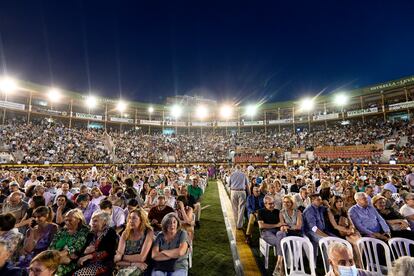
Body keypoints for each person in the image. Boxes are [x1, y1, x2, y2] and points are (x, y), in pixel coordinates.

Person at [73, 211, 118, 276]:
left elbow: (109, 252)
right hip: (87, 262)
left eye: (95, 221)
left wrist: (89, 256)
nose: (93, 223)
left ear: (104, 222)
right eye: (92, 221)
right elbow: (84, 248)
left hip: (102, 263)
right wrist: (81, 253)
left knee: (78, 274)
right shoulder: (91, 233)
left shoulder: (110, 232)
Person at [49, 209, 90, 276]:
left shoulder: (83, 232)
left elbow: (75, 248)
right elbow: (52, 245)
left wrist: (56, 256)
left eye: (70, 220)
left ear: (78, 220)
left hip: (69, 262)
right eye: (66, 220)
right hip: (54, 257)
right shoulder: (62, 231)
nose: (67, 222)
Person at [115, 208, 154, 276]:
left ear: (141, 220)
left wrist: (121, 257)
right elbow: (116, 260)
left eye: (134, 218)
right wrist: (132, 263)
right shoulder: (125, 233)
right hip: (127, 265)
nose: (131, 221)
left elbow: (141, 258)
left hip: (141, 266)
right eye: (129, 218)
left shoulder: (148, 232)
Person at [326, 196, 362, 268]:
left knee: (359, 242)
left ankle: (358, 262)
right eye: (338, 202)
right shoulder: (330, 211)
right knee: (355, 243)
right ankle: (358, 264)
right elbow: (335, 226)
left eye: (341, 201)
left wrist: (351, 228)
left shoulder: (344, 210)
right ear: (334, 203)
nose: (340, 203)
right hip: (337, 232)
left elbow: (351, 223)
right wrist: (347, 230)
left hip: (347, 230)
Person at [257, 195, 287, 276]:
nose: (272, 205)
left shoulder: (277, 211)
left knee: (282, 234)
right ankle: (281, 267)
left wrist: (281, 226)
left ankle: (278, 264)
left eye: (273, 203)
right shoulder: (260, 211)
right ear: (265, 204)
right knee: (282, 242)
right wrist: (276, 225)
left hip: (277, 232)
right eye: (270, 204)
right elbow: (261, 226)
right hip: (266, 232)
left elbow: (281, 223)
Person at [274, 195, 303, 275]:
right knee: (280, 233)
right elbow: (282, 225)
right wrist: (284, 227)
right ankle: (280, 263)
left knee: (281, 234)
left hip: (296, 233)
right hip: (286, 232)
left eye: (288, 202)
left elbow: (298, 226)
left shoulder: (298, 212)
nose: (285, 204)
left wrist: (288, 226)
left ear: (292, 203)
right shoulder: (281, 212)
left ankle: (280, 264)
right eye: (284, 202)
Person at [229, 165, 248, 230]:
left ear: (235, 168)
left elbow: (229, 184)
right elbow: (247, 185)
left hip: (233, 191)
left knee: (235, 208)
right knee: (241, 208)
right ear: (240, 168)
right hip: (242, 192)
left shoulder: (232, 174)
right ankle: (239, 225)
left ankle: (236, 222)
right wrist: (249, 193)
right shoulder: (243, 174)